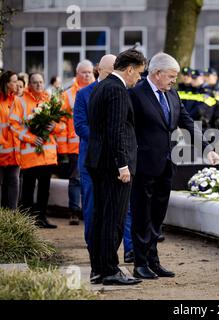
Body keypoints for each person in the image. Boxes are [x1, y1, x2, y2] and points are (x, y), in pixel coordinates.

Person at [128, 52, 219, 280]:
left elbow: (188, 122)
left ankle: (153, 261)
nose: (174, 80)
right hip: (141, 166)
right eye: (171, 76)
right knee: (142, 216)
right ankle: (140, 263)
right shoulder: (135, 94)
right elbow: (126, 129)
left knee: (158, 217)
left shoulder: (172, 94)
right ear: (156, 73)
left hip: (165, 166)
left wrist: (208, 149)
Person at [85, 49, 146, 286]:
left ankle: (99, 269)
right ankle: (110, 269)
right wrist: (122, 165)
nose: (139, 78)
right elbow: (116, 131)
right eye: (139, 73)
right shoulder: (117, 90)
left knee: (101, 217)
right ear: (129, 69)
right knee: (114, 219)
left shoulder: (102, 86)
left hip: (99, 162)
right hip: (113, 166)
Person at [73, 54, 135, 264]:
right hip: (94, 159)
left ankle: (129, 248)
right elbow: (81, 127)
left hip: (114, 159)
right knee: (93, 207)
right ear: (100, 70)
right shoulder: (84, 94)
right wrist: (104, 138)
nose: (112, 75)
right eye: (109, 71)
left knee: (123, 207)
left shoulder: (124, 89)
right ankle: (95, 250)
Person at [10, 73, 63, 228]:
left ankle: (41, 218)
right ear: (29, 85)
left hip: (48, 155)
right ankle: (27, 221)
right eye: (35, 82)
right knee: (28, 189)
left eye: (41, 82)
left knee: (44, 190)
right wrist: (31, 138)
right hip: (31, 155)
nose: (39, 85)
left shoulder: (51, 100)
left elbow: (64, 125)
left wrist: (54, 127)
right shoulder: (20, 101)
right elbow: (14, 125)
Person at [59, 60, 95, 225]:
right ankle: (74, 211)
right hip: (74, 146)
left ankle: (88, 212)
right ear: (77, 74)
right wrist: (63, 147)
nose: (87, 75)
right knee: (75, 179)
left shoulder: (99, 89)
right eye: (84, 72)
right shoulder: (67, 95)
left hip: (93, 145)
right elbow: (60, 122)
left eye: (89, 72)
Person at [0, 71, 21, 209]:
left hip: (15, 151)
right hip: (2, 151)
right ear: (7, 83)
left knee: (14, 182)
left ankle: (12, 217)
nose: (17, 84)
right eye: (14, 81)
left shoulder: (17, 101)